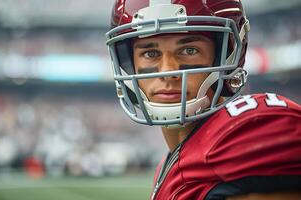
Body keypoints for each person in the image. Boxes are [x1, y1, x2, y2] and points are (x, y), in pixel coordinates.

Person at [105, 0, 301, 199]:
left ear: (226, 55)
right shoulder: (169, 163)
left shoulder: (249, 134)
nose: (168, 71)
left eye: (189, 50)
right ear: (128, 65)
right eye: (150, 53)